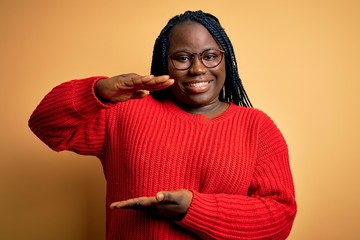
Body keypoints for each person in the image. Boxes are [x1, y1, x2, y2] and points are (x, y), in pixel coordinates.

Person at [29, 10, 297, 240]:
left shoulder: (257, 127)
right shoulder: (126, 112)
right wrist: (99, 91)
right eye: (182, 57)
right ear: (164, 63)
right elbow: (46, 125)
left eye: (210, 56)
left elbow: (280, 217)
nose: (198, 69)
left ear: (226, 60)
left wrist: (192, 209)